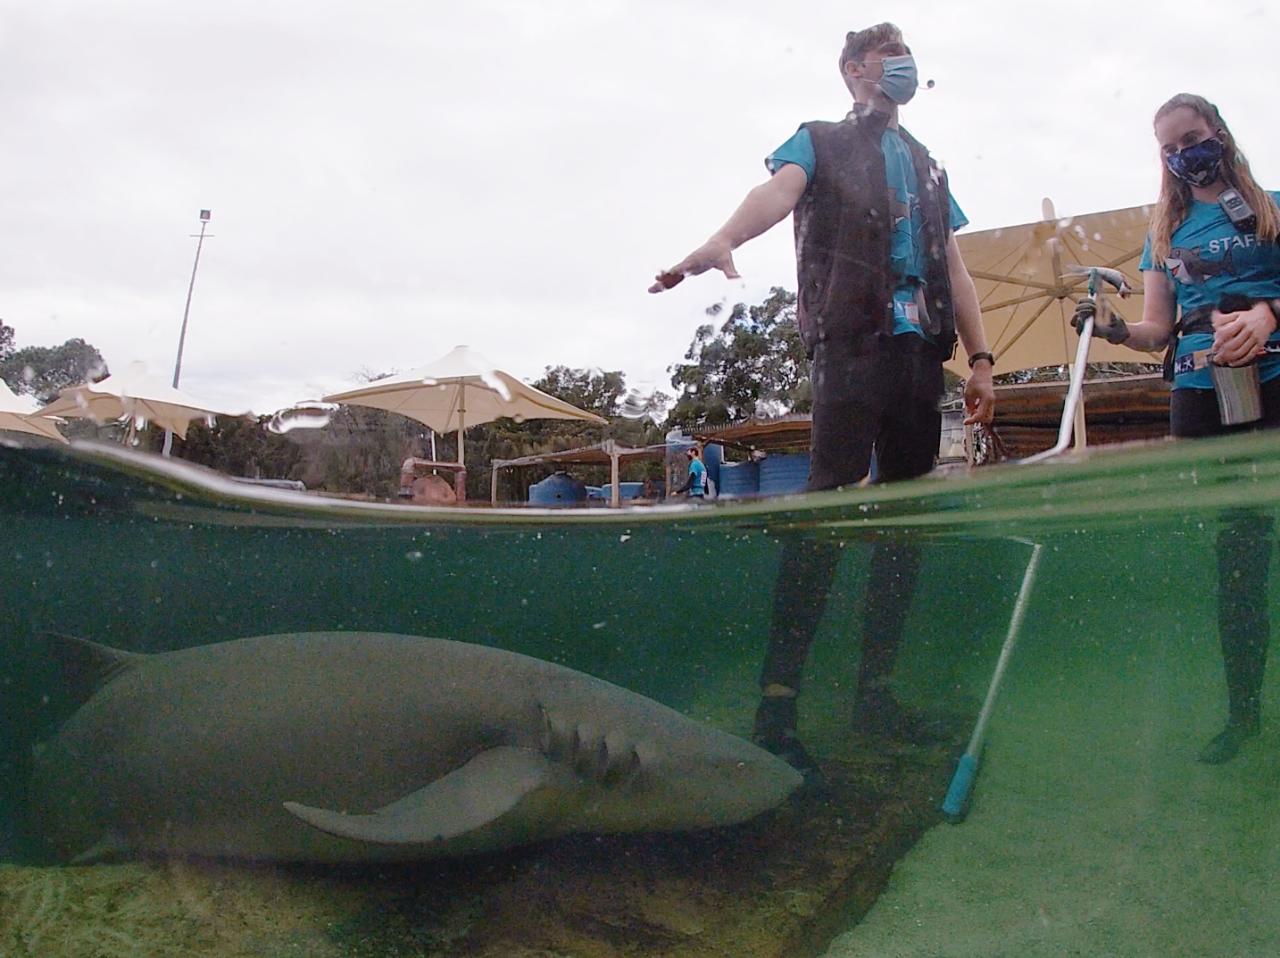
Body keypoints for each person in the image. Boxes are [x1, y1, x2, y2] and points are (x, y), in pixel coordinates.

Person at [649, 23, 996, 771]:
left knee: (904, 523)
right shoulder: (818, 140)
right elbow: (777, 192)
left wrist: (981, 360)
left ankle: (876, 692)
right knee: (823, 509)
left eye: (907, 56)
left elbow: (955, 265)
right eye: (887, 58)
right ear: (853, 71)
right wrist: (725, 239)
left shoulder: (929, 165)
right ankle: (777, 705)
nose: (902, 68)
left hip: (920, 355)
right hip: (850, 348)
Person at [1072, 93, 1280, 764]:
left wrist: (1268, 314)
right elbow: (1156, 328)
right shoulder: (1163, 234)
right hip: (1198, 394)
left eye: (1192, 139)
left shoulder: (1274, 207)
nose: (1183, 155)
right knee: (1236, 558)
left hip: (1275, 380)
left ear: (1218, 131)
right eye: (1169, 149)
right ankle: (1243, 714)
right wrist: (1114, 329)